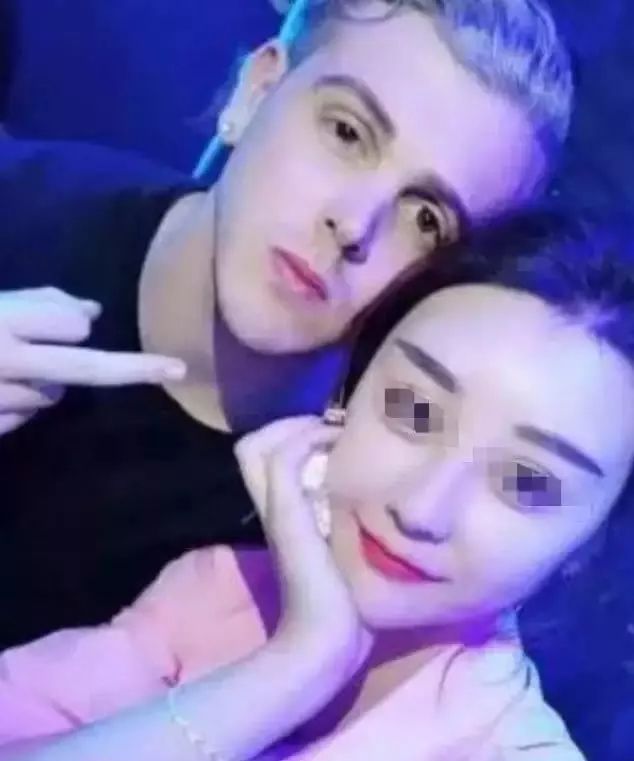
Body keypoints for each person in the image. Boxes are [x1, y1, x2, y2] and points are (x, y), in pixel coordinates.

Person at [0, 0, 573, 650]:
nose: (354, 224)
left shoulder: (357, 526)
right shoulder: (21, 212)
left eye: (426, 219)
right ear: (256, 91)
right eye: (347, 133)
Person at [3, 207, 633, 760]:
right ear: (344, 397)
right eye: (415, 411)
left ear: (589, 542)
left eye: (525, 482)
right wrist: (293, 667)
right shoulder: (220, 589)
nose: (421, 509)